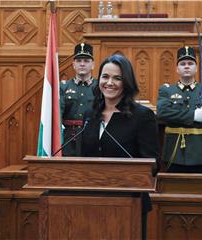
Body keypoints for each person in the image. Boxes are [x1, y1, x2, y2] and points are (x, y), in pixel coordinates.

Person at [81, 54, 159, 239]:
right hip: (90, 201)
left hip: (129, 203)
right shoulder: (90, 114)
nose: (110, 83)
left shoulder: (142, 116)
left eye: (117, 78)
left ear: (127, 82)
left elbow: (153, 163)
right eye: (105, 77)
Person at [157, 46, 202, 174]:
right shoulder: (166, 90)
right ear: (177, 69)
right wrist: (193, 116)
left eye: (190, 63)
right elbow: (162, 113)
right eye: (182, 64)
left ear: (196, 68)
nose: (186, 66)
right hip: (174, 154)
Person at [60, 43, 98, 156]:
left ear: (93, 65)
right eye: (79, 61)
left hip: (92, 136)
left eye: (86, 61)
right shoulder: (63, 87)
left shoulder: (99, 87)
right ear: (73, 64)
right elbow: (57, 115)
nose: (82, 64)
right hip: (69, 138)